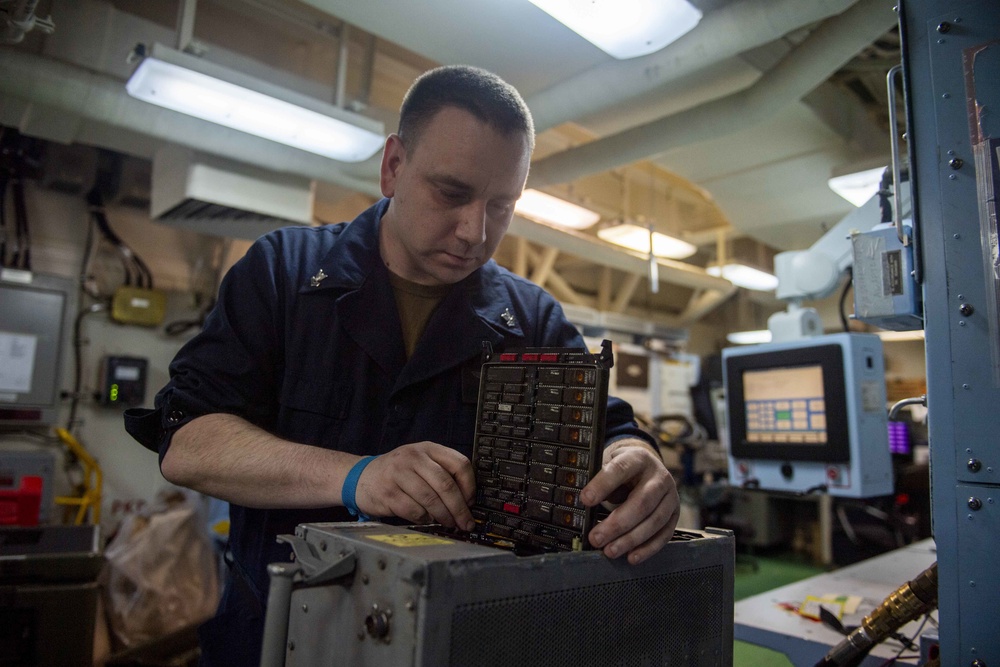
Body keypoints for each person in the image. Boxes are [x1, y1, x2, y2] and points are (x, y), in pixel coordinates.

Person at [125, 64, 679, 666]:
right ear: (393, 167)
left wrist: (639, 462)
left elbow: (610, 432)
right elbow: (189, 441)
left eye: (502, 205)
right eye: (452, 193)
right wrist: (357, 475)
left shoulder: (532, 319)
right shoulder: (281, 274)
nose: (475, 230)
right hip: (276, 640)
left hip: (454, 643)